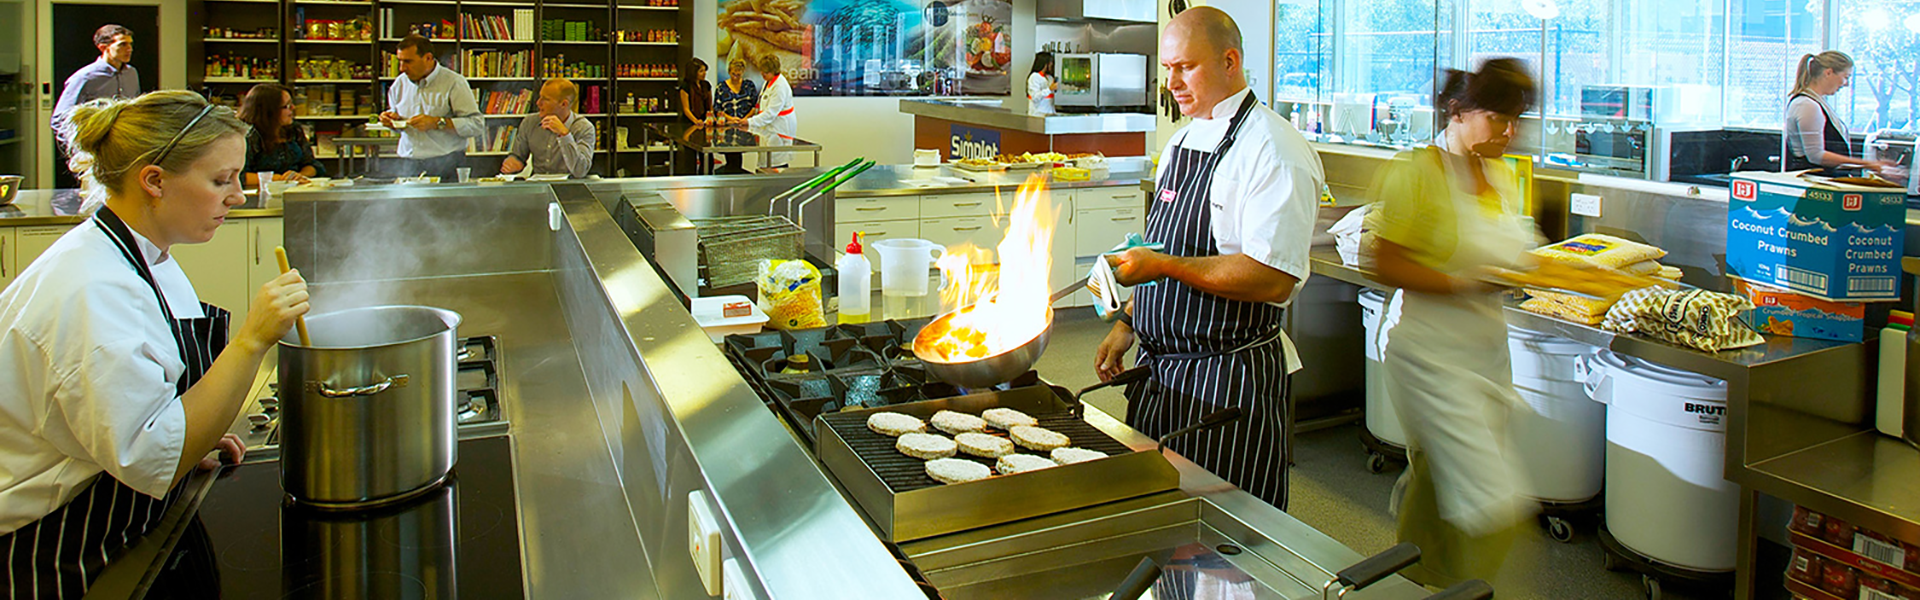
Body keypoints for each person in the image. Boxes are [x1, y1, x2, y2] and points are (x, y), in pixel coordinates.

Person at [0, 91, 310, 597]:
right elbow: (149, 456)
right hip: (59, 549)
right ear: (154, 180)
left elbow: (147, 407)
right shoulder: (91, 290)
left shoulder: (146, 256)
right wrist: (252, 341)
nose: (236, 195)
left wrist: (195, 433)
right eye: (219, 180)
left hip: (125, 522)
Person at [1090, 7, 1323, 510]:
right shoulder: (1183, 139)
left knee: (1223, 540)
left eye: (1185, 67)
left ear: (1230, 61)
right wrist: (1129, 321)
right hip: (1161, 375)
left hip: (1226, 384)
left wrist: (1165, 267)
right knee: (1155, 516)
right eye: (1167, 68)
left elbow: (1271, 279)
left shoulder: (1274, 149)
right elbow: (1161, 247)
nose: (1172, 82)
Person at [1363, 58, 1539, 589]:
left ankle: (1423, 575)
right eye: (1499, 118)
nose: (1510, 132)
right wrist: (1465, 284)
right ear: (1459, 111)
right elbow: (1382, 260)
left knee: (1443, 480)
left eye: (1518, 120)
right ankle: (1438, 581)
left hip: (1483, 345)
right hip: (1427, 349)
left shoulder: (1502, 175)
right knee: (1482, 490)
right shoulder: (1417, 171)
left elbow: (1513, 251)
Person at [379, 35, 483, 180]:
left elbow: (477, 125)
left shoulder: (454, 82)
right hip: (408, 164)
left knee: (445, 203)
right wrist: (391, 120)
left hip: (444, 164)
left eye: (408, 62)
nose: (402, 68)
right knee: (406, 203)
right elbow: (397, 118)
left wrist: (438, 123)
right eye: (400, 61)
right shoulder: (399, 83)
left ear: (428, 58)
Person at [51, 24, 140, 189]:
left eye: (130, 44)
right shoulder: (85, 77)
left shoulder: (131, 74)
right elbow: (59, 119)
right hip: (95, 148)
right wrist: (80, 148)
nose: (129, 49)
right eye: (122, 44)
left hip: (123, 147)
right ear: (103, 47)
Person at [1783, 51, 1893, 174]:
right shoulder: (1806, 105)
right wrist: (1868, 164)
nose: (1846, 84)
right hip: (1813, 181)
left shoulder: (1815, 102)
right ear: (1828, 73)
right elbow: (1816, 155)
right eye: (1846, 77)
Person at [501, 78, 597, 179]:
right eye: (539, 97)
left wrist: (565, 135)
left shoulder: (584, 127)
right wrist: (514, 162)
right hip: (538, 185)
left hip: (569, 187)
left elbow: (580, 171)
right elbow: (518, 156)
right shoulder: (530, 122)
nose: (538, 103)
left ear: (564, 104)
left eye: (545, 99)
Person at [238, 83, 327, 187]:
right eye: (287, 106)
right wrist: (279, 178)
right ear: (269, 111)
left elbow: (313, 164)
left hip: (294, 190)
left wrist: (299, 176)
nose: (293, 108)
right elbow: (238, 176)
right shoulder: (248, 135)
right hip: (259, 193)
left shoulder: (294, 130)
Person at [745, 54, 796, 170]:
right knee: (766, 161)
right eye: (762, 71)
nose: (762, 74)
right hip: (769, 128)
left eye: (766, 72)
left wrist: (749, 122)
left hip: (779, 128)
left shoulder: (780, 86)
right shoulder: (768, 82)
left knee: (777, 161)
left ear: (774, 71)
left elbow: (771, 113)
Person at [711, 58, 760, 174]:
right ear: (729, 72)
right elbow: (717, 109)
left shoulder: (749, 85)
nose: (736, 77)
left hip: (744, 127)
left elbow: (754, 106)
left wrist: (745, 119)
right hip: (727, 128)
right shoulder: (721, 87)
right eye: (733, 74)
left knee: (738, 158)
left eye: (739, 74)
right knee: (731, 158)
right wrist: (730, 118)